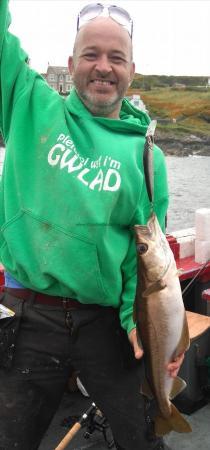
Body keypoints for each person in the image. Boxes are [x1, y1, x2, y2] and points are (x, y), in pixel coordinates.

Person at [0, 2, 184, 449]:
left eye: (116, 58)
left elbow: (139, 261)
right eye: (91, 54)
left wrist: (136, 320)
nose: (103, 67)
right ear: (70, 64)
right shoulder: (27, 102)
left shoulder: (148, 158)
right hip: (28, 314)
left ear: (131, 71)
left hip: (106, 323)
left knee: (141, 437)